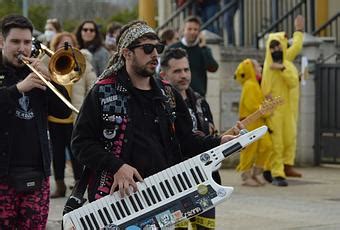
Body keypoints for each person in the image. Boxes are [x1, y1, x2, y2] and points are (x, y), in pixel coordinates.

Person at [71, 20, 241, 211]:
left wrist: (219, 142)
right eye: (147, 48)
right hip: (116, 198)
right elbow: (81, 143)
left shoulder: (168, 93)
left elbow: (186, 142)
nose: (155, 54)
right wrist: (117, 166)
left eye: (158, 47)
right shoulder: (103, 92)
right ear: (127, 53)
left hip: (161, 196)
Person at [0, 14, 71, 228]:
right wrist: (18, 89)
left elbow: (64, 111)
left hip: (37, 174)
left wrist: (50, 77)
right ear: (2, 42)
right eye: (15, 42)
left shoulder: (37, 72)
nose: (22, 48)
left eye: (27, 42)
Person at [160, 47, 220, 229]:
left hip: (203, 178)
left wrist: (225, 140)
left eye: (186, 70)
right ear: (164, 74)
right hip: (175, 181)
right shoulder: (160, 104)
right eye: (177, 71)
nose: (183, 75)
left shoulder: (200, 101)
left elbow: (210, 134)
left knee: (206, 227)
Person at [47, 32, 97, 198]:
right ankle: (60, 185)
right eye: (62, 44)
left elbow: (92, 84)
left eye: (69, 44)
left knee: (77, 152)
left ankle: (78, 185)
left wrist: (87, 107)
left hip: (75, 115)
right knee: (57, 153)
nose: (65, 48)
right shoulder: (48, 61)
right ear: (55, 46)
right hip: (54, 117)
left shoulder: (81, 61)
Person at [261, 15, 304, 186]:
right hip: (275, 111)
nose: (276, 50)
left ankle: (270, 168)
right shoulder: (268, 67)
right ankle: (278, 173)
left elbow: (293, 81)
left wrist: (299, 31)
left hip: (289, 110)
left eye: (278, 46)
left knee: (289, 139)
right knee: (277, 143)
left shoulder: (285, 61)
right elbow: (266, 90)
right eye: (273, 47)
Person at [234, 59, 272, 186]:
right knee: (249, 148)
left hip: (259, 121)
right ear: (251, 69)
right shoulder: (250, 85)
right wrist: (267, 110)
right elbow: (253, 106)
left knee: (266, 146)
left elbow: (259, 104)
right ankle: (246, 174)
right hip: (250, 121)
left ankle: (257, 173)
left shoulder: (255, 84)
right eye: (257, 67)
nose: (260, 69)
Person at [170, 16, 219, 97]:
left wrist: (203, 47)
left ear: (199, 32)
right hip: (177, 95)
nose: (192, 32)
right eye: (189, 29)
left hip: (198, 96)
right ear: (183, 31)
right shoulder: (173, 48)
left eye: (195, 29)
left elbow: (213, 68)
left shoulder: (204, 49)